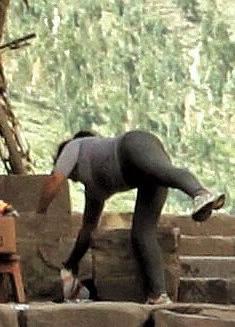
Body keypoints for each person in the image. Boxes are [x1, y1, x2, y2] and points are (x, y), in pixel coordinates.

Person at [38, 129, 224, 306]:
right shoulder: (94, 190)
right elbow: (88, 229)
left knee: (161, 171)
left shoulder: (74, 146)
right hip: (144, 176)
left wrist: (39, 213)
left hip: (131, 146)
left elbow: (55, 179)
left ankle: (200, 193)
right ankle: (158, 295)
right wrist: (71, 264)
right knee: (142, 232)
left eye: (72, 175)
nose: (74, 179)